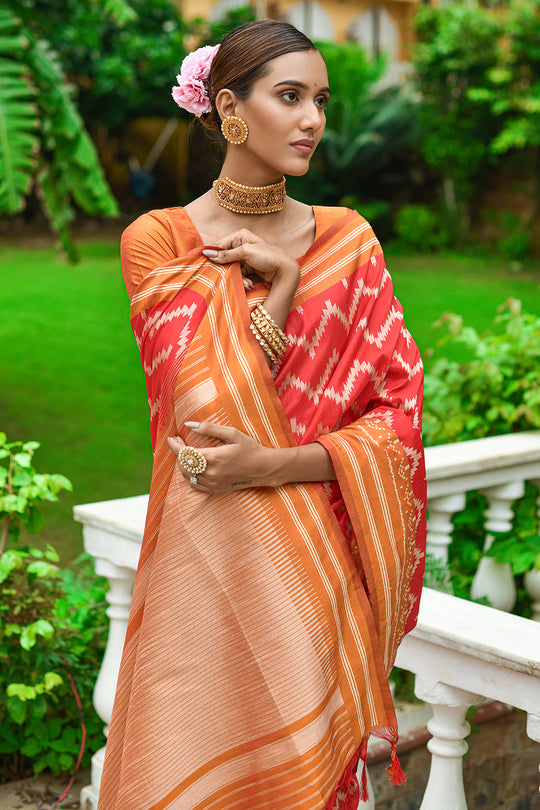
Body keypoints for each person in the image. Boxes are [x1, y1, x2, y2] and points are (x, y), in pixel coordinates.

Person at [98, 19, 426, 810]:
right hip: (203, 557)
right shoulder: (161, 241)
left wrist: (273, 464)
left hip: (316, 562)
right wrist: (277, 286)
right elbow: (202, 406)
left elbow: (400, 419)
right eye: (290, 97)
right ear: (230, 110)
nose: (313, 118)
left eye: (320, 99)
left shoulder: (350, 242)